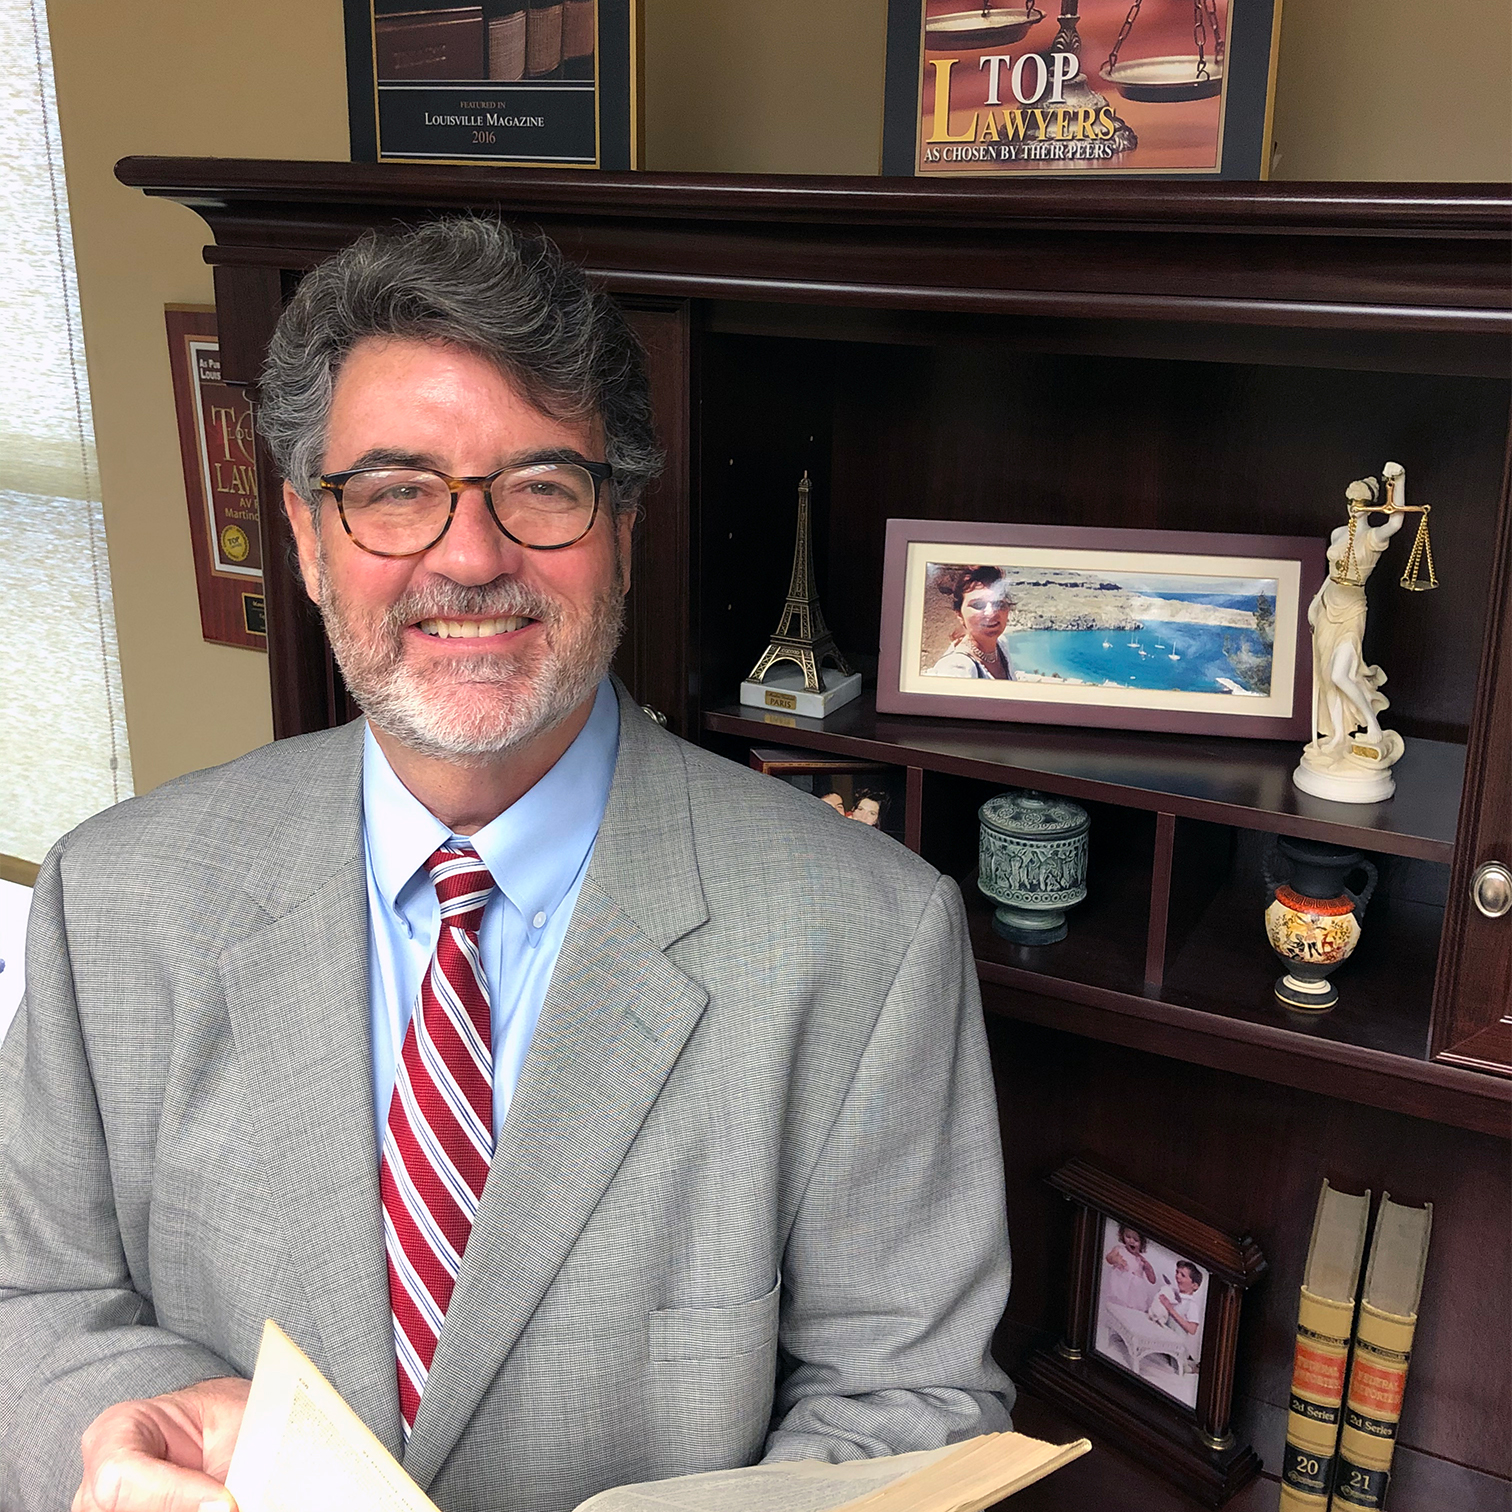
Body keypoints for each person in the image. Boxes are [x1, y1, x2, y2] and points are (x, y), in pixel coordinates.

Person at [0, 219, 1012, 1512]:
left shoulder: (866, 938)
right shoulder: (115, 899)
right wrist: (104, 1434)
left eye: (541, 486)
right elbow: (32, 1299)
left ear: (624, 528)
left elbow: (913, 1400)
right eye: (393, 490)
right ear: (311, 538)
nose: (470, 559)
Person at [925, 567, 1015, 680]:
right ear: (959, 614)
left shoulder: (1001, 645)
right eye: (978, 605)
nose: (992, 613)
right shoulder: (957, 669)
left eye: (999, 603)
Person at [1102, 1225, 1158, 1311]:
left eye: (1136, 1240)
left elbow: (1152, 1280)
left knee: (1133, 1310)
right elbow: (1109, 1258)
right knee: (1116, 1307)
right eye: (1127, 1237)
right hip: (1121, 1286)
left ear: (1142, 1243)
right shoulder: (1120, 1249)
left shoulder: (1141, 1259)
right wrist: (1116, 1260)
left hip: (1136, 1293)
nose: (1131, 1241)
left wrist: (1148, 1268)